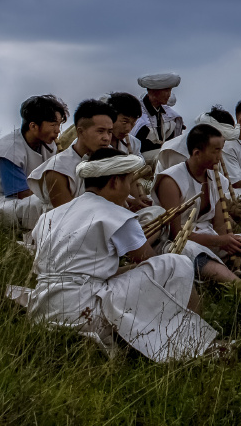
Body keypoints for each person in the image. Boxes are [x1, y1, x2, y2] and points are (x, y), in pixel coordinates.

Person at [19, 149, 217, 361]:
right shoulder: (117, 215)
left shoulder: (50, 216)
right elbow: (152, 262)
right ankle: (195, 342)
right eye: (128, 182)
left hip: (41, 308)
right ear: (114, 182)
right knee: (176, 263)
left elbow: (81, 272)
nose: (129, 192)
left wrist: (128, 269)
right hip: (84, 309)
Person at [152, 124, 241, 293]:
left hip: (210, 238)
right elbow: (175, 234)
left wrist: (230, 241)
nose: (220, 157)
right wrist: (220, 242)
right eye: (215, 151)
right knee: (191, 251)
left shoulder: (217, 178)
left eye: (221, 150)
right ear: (197, 153)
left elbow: (220, 226)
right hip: (178, 244)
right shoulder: (171, 181)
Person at [0, 95, 68, 229]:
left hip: (34, 197)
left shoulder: (48, 145)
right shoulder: (8, 151)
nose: (58, 130)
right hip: (2, 201)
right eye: (53, 125)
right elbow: (21, 193)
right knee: (41, 205)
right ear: (33, 126)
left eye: (59, 125)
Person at [27, 99, 115, 211]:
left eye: (110, 132)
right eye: (100, 131)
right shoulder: (57, 169)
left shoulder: (111, 156)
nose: (106, 138)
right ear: (80, 132)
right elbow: (69, 217)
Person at [132, 73, 184, 160]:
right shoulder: (139, 112)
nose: (169, 95)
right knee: (168, 157)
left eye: (170, 91)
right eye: (167, 91)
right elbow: (138, 144)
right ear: (154, 91)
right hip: (140, 156)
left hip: (160, 151)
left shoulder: (167, 114)